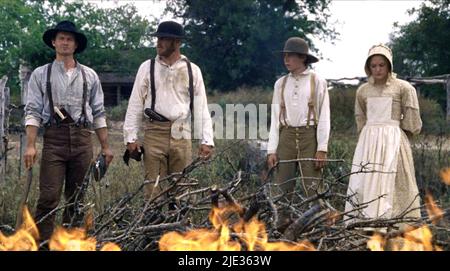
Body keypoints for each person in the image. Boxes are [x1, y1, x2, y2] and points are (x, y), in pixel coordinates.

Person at [24, 20, 114, 243]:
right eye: (61, 38)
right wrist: (30, 144)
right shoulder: (40, 74)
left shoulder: (90, 76)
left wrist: (105, 147)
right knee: (48, 197)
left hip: (83, 139)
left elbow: (99, 112)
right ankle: (42, 245)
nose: (65, 42)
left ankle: (69, 243)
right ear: (54, 42)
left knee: (77, 199)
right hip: (54, 140)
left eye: (69, 39)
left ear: (75, 45)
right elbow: (33, 111)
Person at [123, 21, 214, 202]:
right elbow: (135, 104)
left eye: (164, 39)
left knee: (181, 190)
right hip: (155, 132)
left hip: (181, 133)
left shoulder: (192, 70)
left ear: (177, 43)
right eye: (158, 38)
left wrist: (207, 140)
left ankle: (179, 228)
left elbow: (201, 106)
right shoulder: (147, 67)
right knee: (153, 191)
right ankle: (153, 229)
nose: (159, 43)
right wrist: (130, 137)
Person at [344, 44, 422, 229]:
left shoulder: (402, 88)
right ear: (368, 67)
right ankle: (366, 222)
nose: (378, 69)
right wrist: (366, 137)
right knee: (367, 178)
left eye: (381, 65)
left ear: (389, 66)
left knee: (394, 180)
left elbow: (411, 118)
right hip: (369, 140)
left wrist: (403, 134)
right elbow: (360, 116)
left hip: (393, 139)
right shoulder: (363, 90)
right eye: (373, 66)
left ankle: (397, 224)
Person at [267, 37, 330, 231]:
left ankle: (318, 227)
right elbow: (276, 117)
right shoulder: (281, 83)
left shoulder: (316, 80)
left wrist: (322, 148)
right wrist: (272, 149)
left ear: (303, 57)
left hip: (309, 136)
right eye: (285, 56)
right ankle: (282, 226)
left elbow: (325, 115)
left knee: (312, 186)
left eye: (291, 56)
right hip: (286, 136)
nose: (286, 60)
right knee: (282, 185)